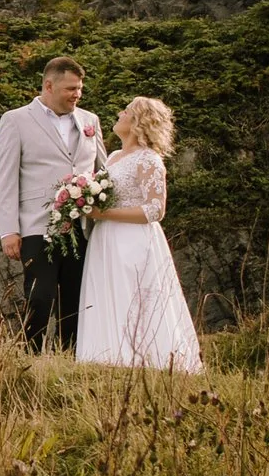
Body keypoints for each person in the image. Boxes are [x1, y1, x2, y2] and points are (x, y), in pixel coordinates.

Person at [75, 96, 204, 372]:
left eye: (126, 111)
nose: (119, 114)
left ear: (136, 122)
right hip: (105, 239)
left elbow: (156, 209)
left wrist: (103, 214)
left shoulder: (148, 159)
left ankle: (149, 364)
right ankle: (107, 359)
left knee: (136, 299)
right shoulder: (113, 157)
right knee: (107, 296)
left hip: (132, 241)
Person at [0, 56, 105, 352]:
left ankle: (71, 359)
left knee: (76, 300)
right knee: (39, 297)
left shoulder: (90, 121)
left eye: (79, 88)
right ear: (48, 85)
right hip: (35, 226)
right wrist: (8, 231)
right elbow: (4, 178)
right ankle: (32, 359)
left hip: (82, 225)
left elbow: (102, 171)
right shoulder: (15, 120)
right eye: (71, 88)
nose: (77, 95)